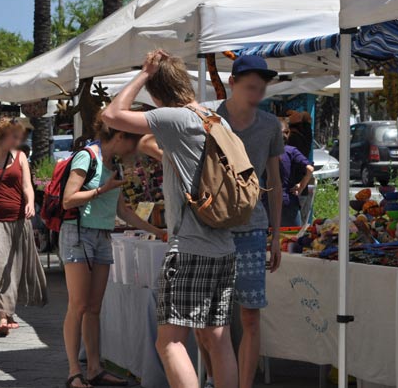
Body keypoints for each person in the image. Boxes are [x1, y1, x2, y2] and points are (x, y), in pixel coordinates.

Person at [103, 50, 239, 388]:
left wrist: (143, 74)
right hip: (222, 245)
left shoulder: (176, 118)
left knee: (170, 342)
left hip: (190, 246)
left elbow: (111, 114)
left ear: (157, 92)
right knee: (216, 341)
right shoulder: (213, 118)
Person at [60, 112, 166, 388]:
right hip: (79, 235)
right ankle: (74, 370)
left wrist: (157, 231)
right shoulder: (88, 156)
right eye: (131, 142)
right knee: (78, 305)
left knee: (94, 307)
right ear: (119, 136)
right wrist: (101, 190)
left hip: (102, 237)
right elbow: (68, 200)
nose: (133, 149)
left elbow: (122, 210)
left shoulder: (113, 163)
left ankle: (95, 367)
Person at [205, 54, 284, 388]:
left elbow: (275, 181)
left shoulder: (269, 125)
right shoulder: (208, 120)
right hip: (212, 229)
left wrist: (276, 235)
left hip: (252, 228)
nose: (256, 91)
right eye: (250, 85)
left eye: (261, 86)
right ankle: (215, 378)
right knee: (208, 319)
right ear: (233, 84)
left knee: (251, 315)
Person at [0, 118, 47, 337]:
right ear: (0, 136)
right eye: (13, 136)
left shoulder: (21, 157)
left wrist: (31, 203)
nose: (17, 140)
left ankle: (9, 311)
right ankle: (2, 316)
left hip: (18, 220)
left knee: (13, 268)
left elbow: (27, 186)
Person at [276, 120, 314, 227]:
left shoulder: (266, 152)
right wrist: (301, 186)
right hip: (288, 202)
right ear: (288, 133)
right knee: (292, 239)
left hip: (268, 203)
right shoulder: (291, 151)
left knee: (269, 239)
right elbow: (310, 169)